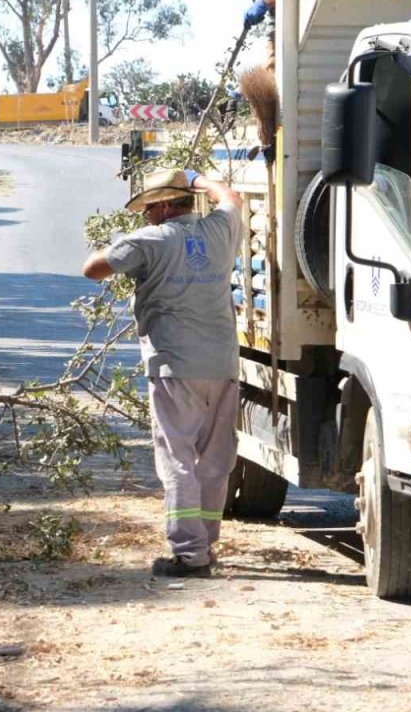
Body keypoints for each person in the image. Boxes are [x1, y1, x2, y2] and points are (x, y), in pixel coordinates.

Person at [82, 168, 245, 578]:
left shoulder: (150, 241)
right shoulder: (221, 230)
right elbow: (232, 199)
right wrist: (200, 178)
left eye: (150, 208)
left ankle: (189, 556)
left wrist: (121, 246)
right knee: (214, 459)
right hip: (223, 365)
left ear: (167, 206)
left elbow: (93, 269)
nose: (145, 216)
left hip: (175, 368)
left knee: (177, 457)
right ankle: (206, 545)